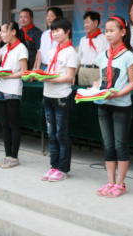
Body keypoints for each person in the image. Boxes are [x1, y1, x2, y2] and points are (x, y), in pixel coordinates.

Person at [93, 16, 133, 197]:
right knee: (108, 144)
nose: (108, 34)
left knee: (120, 145)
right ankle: (110, 181)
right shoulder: (102, 55)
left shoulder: (128, 56)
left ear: (123, 32)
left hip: (121, 106)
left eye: (112, 30)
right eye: (106, 31)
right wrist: (95, 88)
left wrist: (117, 94)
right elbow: (100, 78)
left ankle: (120, 183)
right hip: (103, 104)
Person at [40, 18, 78, 182]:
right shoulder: (52, 51)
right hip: (48, 95)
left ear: (67, 31)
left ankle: (63, 168)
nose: (54, 34)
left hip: (62, 96)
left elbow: (69, 77)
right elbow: (50, 71)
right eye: (52, 31)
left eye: (58, 30)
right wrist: (40, 75)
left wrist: (48, 78)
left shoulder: (71, 52)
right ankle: (53, 166)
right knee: (51, 134)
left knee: (61, 134)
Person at [0, 21, 29, 169]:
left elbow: (24, 72)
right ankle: (7, 156)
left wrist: (8, 76)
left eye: (5, 31)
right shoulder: (5, 47)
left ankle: (14, 157)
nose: (2, 34)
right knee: (4, 124)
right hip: (0, 87)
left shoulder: (21, 48)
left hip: (12, 89)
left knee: (13, 124)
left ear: (13, 32)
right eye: (1, 32)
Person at [77, 11, 108, 86]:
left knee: (95, 92)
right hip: (82, 71)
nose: (85, 25)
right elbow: (78, 58)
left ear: (95, 23)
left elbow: (107, 59)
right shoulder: (83, 39)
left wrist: (105, 76)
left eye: (87, 22)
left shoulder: (104, 39)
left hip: (96, 71)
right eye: (84, 23)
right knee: (81, 92)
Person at [34, 7, 63, 71]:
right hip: (43, 67)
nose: (48, 18)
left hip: (57, 68)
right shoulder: (44, 34)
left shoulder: (62, 34)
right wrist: (36, 69)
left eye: (51, 16)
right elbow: (40, 52)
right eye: (47, 16)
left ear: (58, 18)